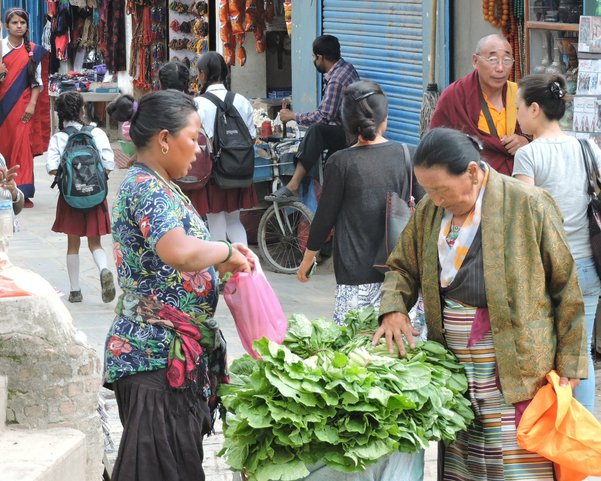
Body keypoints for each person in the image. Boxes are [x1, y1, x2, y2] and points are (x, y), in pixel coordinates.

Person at [373, 127, 587, 480]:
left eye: (442, 189)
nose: (436, 199)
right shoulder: (430, 211)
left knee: (515, 457)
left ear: (473, 172)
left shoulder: (529, 204)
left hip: (516, 365)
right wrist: (394, 308)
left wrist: (572, 360)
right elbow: (402, 267)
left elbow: (566, 286)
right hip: (456, 367)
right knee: (465, 458)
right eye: (429, 190)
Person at [104, 89, 252, 481]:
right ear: (165, 139)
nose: (201, 147)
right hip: (152, 358)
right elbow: (178, 252)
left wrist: (219, 263)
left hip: (171, 356)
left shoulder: (163, 184)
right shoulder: (145, 187)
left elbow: (181, 261)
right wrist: (222, 251)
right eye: (195, 136)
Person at [297, 80, 422, 322]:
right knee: (397, 354)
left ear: (346, 123)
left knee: (356, 354)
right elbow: (427, 211)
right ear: (385, 117)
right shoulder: (409, 155)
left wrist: (307, 259)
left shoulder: (340, 162)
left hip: (355, 277)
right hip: (400, 278)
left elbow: (324, 218)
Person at [512, 74, 599, 413]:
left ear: (534, 109)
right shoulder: (587, 146)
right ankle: (583, 445)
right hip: (588, 266)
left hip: (548, 273)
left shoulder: (529, 156)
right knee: (582, 355)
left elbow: (524, 220)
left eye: (518, 107)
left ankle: (554, 438)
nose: (516, 115)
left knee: (546, 354)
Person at [266, 34, 360, 202]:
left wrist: (293, 116)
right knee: (317, 139)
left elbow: (323, 116)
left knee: (316, 130)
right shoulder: (346, 68)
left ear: (320, 57)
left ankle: (293, 185)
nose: (314, 61)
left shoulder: (336, 80)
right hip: (348, 129)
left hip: (350, 135)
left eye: (313, 57)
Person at [46, 91, 116, 304]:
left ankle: (75, 291)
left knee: (72, 244)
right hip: (95, 195)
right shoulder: (97, 133)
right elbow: (109, 164)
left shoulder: (59, 138)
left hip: (70, 197)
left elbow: (51, 168)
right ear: (82, 110)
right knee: (95, 243)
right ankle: (104, 269)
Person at [429, 34, 529, 175]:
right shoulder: (455, 95)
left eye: (507, 60)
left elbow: (540, 138)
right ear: (475, 61)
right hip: (471, 183)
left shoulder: (518, 95)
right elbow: (437, 144)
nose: (500, 68)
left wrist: (525, 142)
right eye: (492, 59)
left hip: (515, 183)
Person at [192, 51, 257, 244]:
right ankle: (245, 267)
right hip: (238, 168)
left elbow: (196, 140)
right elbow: (252, 137)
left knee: (216, 221)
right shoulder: (242, 101)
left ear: (203, 74)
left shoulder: (198, 104)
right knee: (234, 221)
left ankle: (220, 270)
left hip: (214, 172)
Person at [0, 8, 46, 207]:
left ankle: (23, 192)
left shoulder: (33, 50)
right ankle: (3, 189)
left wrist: (32, 105)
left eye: (22, 23)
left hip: (23, 107)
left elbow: (36, 82)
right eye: (14, 23)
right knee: (4, 147)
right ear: (6, 26)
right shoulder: (1, 48)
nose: (19, 26)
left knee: (22, 147)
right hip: (2, 108)